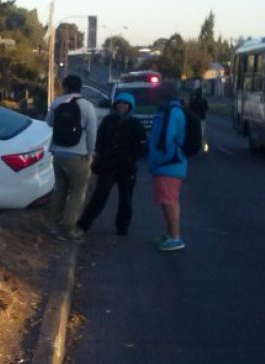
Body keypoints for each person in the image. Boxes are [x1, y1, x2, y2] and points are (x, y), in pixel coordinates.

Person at [76, 92, 146, 236]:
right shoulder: (109, 120)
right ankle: (84, 223)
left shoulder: (136, 124)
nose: (122, 106)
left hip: (127, 167)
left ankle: (122, 227)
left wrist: (131, 157)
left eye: (125, 104)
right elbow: (100, 139)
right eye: (119, 103)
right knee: (100, 195)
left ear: (130, 106)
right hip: (108, 165)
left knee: (126, 198)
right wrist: (100, 154)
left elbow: (142, 145)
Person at [46, 75, 97, 243]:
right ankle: (67, 228)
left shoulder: (57, 103)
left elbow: (49, 123)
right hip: (78, 156)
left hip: (58, 155)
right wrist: (90, 153)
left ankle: (53, 224)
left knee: (60, 189)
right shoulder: (87, 106)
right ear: (80, 88)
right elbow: (91, 133)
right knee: (77, 192)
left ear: (65, 87)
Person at [148, 81, 188, 251]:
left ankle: (175, 237)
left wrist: (158, 159)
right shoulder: (171, 110)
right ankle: (171, 234)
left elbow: (165, 139)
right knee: (171, 200)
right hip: (172, 163)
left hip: (167, 163)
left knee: (168, 201)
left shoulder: (169, 112)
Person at [188, 88, 209, 152]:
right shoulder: (204, 101)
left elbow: (190, 108)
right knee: (202, 135)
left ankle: (197, 147)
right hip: (202, 119)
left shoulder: (194, 101)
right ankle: (205, 149)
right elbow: (207, 108)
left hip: (195, 119)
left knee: (195, 133)